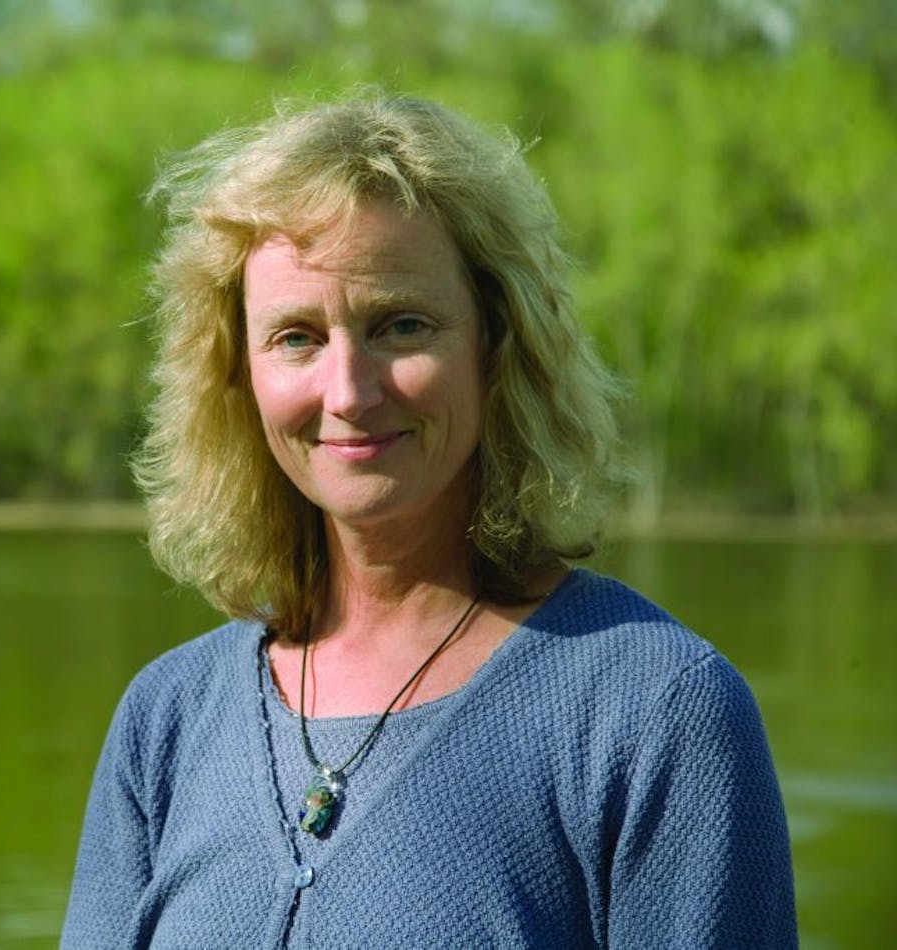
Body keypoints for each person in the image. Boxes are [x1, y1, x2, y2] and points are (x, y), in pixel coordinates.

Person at [62, 92, 796, 948]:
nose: (348, 392)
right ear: (238, 376)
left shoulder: (657, 712)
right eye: (296, 337)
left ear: (498, 342)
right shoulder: (165, 721)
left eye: (400, 325)